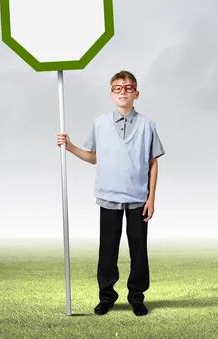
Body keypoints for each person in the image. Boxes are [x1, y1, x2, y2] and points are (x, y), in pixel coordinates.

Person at [56, 70, 165, 316]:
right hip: (109, 196)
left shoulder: (147, 126)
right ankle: (107, 297)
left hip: (138, 198)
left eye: (128, 88)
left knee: (138, 249)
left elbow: (153, 162)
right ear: (111, 94)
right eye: (118, 88)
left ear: (136, 93)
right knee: (107, 249)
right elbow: (94, 157)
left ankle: (137, 296)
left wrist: (151, 198)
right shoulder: (100, 123)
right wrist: (70, 147)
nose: (123, 92)